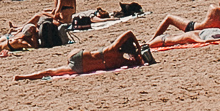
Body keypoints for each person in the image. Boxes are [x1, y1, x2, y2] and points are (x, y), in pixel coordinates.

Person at [15, 30, 152, 79]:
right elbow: (138, 62)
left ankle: (23, 76)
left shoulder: (112, 48)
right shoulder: (122, 62)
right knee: (52, 72)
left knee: (52, 71)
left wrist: (138, 47)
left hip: (79, 56)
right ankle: (22, 77)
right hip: (82, 67)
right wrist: (139, 54)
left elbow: (128, 33)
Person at [154, 0, 220, 38]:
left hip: (195, 29)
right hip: (210, 35)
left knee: (169, 18)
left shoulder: (213, 7)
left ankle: (153, 39)